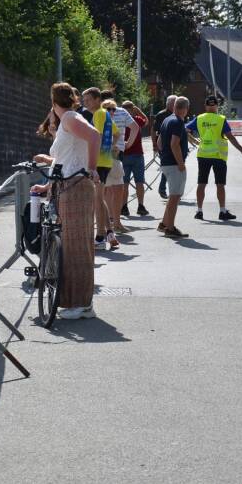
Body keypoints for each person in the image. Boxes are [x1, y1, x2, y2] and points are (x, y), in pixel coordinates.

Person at [30, 82, 101, 320]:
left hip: (76, 187)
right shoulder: (66, 124)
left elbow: (94, 136)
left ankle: (82, 304)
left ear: (52, 101)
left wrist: (91, 169)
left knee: (77, 246)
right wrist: (47, 185)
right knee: (69, 246)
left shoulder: (70, 118)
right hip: (65, 187)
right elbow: (63, 162)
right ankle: (73, 301)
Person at [187, 95, 242, 221]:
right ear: (217, 106)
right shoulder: (221, 119)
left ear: (205, 106)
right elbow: (230, 137)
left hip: (203, 155)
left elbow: (184, 130)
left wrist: (192, 140)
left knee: (201, 183)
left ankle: (199, 211)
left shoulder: (199, 118)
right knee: (220, 185)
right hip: (218, 156)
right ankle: (222, 211)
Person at [82, 87, 120, 249]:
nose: (85, 103)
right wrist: (110, 147)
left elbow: (95, 136)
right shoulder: (105, 114)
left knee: (97, 199)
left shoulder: (98, 114)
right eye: (84, 100)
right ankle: (110, 232)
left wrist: (94, 158)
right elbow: (117, 134)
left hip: (98, 162)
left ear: (98, 100)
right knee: (99, 197)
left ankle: (100, 237)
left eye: (88, 100)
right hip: (105, 161)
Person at [100, 95, 140, 234]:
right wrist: (123, 144)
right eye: (108, 109)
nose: (112, 112)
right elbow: (135, 127)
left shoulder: (102, 118)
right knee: (114, 189)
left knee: (109, 190)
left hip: (112, 156)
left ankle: (111, 222)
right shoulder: (106, 119)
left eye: (113, 109)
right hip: (111, 156)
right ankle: (113, 223)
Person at [157, 96, 191, 238]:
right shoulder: (178, 122)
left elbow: (159, 142)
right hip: (174, 164)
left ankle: (164, 223)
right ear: (186, 109)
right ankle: (170, 228)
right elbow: (174, 144)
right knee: (175, 197)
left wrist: (163, 155)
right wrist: (181, 164)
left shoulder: (167, 119)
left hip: (166, 162)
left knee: (172, 196)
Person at [120, 100, 150, 217]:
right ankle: (140, 206)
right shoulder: (136, 120)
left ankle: (124, 207)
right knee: (139, 182)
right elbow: (146, 121)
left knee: (125, 183)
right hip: (137, 155)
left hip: (124, 155)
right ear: (132, 110)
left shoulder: (120, 121)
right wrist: (139, 111)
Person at [153, 95, 178, 199]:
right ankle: (163, 189)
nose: (175, 105)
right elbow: (153, 130)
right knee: (168, 167)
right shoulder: (161, 114)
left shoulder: (177, 114)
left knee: (173, 168)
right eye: (174, 103)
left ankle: (173, 191)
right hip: (163, 146)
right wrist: (154, 145)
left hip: (175, 145)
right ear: (168, 104)